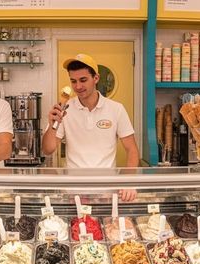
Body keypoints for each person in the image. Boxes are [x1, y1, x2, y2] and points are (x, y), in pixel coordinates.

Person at [42, 54, 139, 200]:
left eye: (83, 80)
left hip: (107, 191)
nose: (78, 86)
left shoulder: (116, 109)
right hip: (74, 192)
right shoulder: (64, 110)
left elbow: (131, 149)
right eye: (73, 81)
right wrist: (52, 125)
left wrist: (128, 182)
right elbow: (48, 149)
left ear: (96, 78)